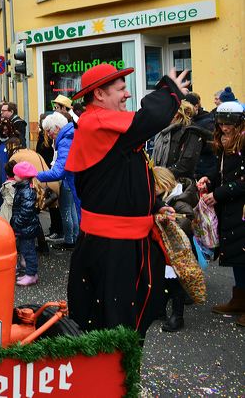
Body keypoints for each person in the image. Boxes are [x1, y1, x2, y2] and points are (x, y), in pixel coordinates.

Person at [64, 64, 189, 338]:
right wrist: (168, 88)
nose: (127, 95)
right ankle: (112, 378)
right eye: (120, 89)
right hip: (111, 248)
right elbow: (151, 118)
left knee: (130, 319)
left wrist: (154, 205)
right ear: (98, 94)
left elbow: (126, 175)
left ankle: (120, 375)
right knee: (114, 325)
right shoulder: (97, 122)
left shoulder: (106, 124)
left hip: (124, 243)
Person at [197, 101, 245, 328]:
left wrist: (219, 193)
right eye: (222, 123)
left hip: (241, 209)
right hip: (231, 208)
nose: (225, 128)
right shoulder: (225, 142)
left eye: (229, 124)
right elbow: (222, 172)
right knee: (237, 255)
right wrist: (209, 180)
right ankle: (239, 299)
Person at [152, 166, 198, 333]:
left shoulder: (179, 200)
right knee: (163, 280)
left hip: (177, 251)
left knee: (175, 284)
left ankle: (177, 315)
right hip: (165, 249)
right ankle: (160, 309)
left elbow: (187, 220)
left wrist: (170, 222)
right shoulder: (167, 199)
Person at [36, 111, 79, 250]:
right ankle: (78, 240)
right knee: (75, 212)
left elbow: (59, 171)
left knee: (68, 210)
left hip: (73, 181)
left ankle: (74, 242)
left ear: (57, 128)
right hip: (77, 181)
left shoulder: (66, 140)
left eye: (49, 131)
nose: (48, 134)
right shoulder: (70, 134)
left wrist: (36, 174)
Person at [151, 100, 205, 179]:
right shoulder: (165, 131)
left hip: (181, 184)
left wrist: (163, 173)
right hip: (164, 180)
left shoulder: (191, 132)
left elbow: (186, 165)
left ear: (177, 114)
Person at [11, 161, 41, 286]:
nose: (14, 176)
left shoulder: (26, 191)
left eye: (16, 175)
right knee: (26, 250)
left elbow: (26, 211)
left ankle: (31, 275)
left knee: (28, 251)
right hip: (25, 227)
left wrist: (17, 223)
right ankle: (31, 273)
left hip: (26, 227)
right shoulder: (23, 188)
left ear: (22, 176)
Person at [186, 92, 217, 180]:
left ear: (196, 107)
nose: (186, 112)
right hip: (196, 169)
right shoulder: (190, 121)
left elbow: (213, 146)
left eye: (188, 108)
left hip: (205, 171)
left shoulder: (207, 122)